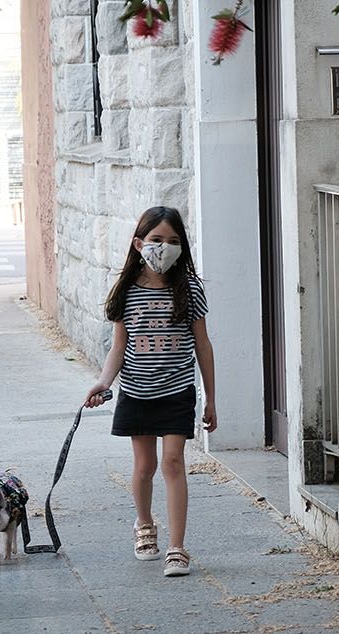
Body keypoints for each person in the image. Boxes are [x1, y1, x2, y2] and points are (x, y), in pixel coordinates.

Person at [83, 206, 217, 577]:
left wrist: (211, 397)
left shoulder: (189, 289)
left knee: (173, 462)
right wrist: (103, 383)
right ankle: (144, 525)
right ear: (139, 243)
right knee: (145, 466)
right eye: (157, 240)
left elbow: (203, 345)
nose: (164, 247)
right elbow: (118, 347)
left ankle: (177, 547)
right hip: (136, 392)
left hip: (177, 390)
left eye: (173, 241)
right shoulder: (126, 290)